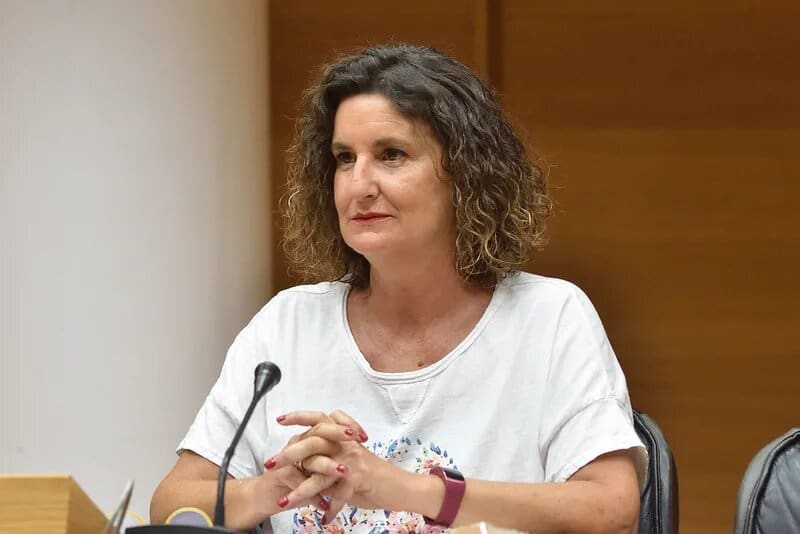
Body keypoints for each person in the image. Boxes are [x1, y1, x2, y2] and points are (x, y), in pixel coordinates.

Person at [151, 43, 647, 533]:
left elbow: (610, 510)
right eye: (344, 158)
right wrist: (275, 486)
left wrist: (406, 489)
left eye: (391, 155)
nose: (359, 185)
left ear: (466, 174)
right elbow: (171, 506)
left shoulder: (549, 317)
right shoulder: (287, 326)